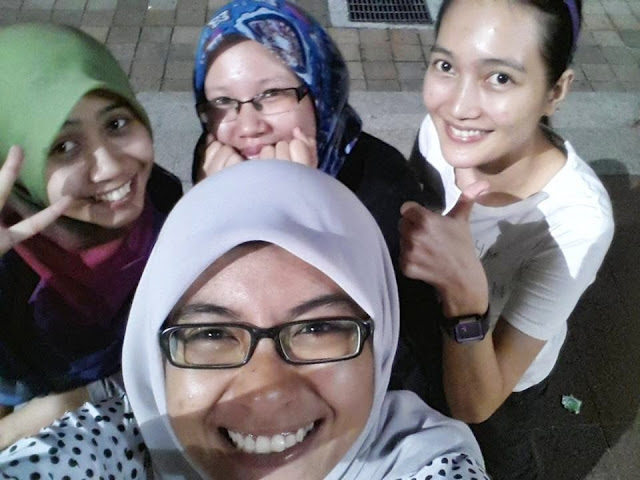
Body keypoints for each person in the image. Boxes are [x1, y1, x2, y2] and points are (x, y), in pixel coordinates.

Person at [0, 160, 489, 480]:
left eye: (318, 328)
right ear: (155, 359)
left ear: (380, 344)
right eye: (211, 333)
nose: (266, 390)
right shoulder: (121, 445)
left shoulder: (419, 461)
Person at [398, 1, 614, 479]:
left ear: (555, 91)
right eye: (446, 66)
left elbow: (478, 404)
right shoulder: (439, 133)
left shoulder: (576, 221)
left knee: (501, 458)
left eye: (500, 78)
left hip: (502, 383)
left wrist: (463, 295)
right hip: (426, 343)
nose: (457, 107)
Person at [0, 23, 182, 447]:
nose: (111, 168)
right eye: (63, 146)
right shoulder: (8, 271)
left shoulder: (162, 196)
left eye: (117, 123)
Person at [191, 0, 425, 263]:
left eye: (272, 93)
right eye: (222, 100)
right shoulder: (212, 164)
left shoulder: (386, 192)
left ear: (321, 94)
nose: (248, 128)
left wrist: (300, 214)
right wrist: (208, 211)